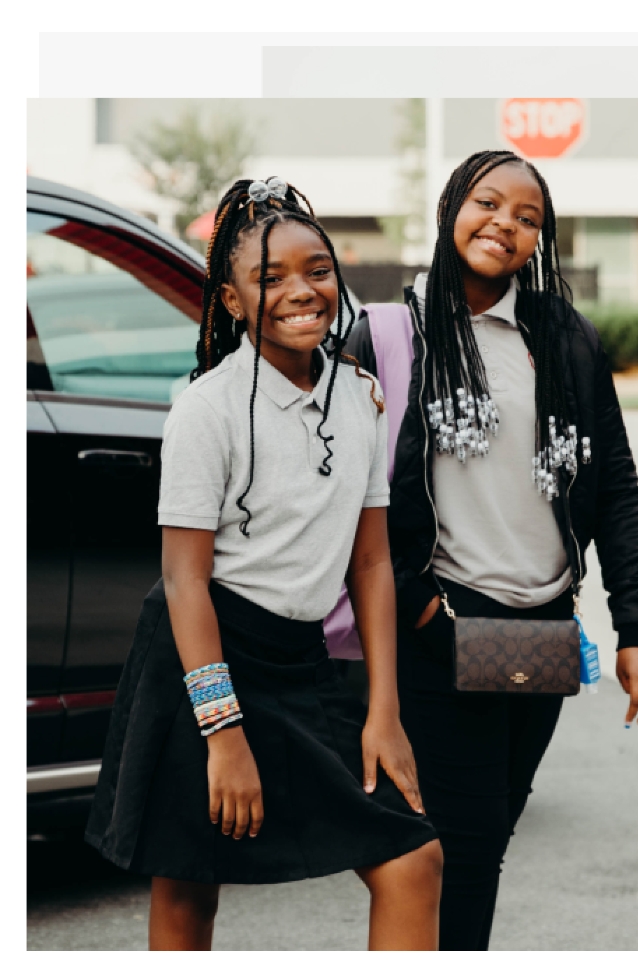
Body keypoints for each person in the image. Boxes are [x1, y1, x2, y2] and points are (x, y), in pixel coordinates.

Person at [85, 177, 443, 951]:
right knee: (188, 889)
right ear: (232, 300)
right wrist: (224, 733)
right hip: (204, 657)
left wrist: (385, 710)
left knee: (413, 859)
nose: (299, 291)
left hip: (303, 659)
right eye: (270, 277)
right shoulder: (205, 409)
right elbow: (184, 580)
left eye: (316, 268)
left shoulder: (360, 396)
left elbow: (373, 564)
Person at [341, 149, 638, 950]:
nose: (506, 225)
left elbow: (615, 485)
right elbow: (348, 488)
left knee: (488, 835)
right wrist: (416, 604)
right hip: (440, 621)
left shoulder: (563, 337)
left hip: (543, 630)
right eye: (489, 203)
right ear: (454, 204)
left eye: (528, 217)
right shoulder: (395, 330)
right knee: (460, 843)